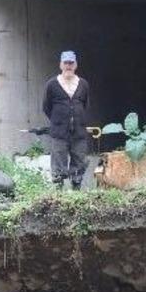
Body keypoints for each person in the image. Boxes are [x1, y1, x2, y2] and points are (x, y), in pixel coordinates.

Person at [42, 50, 90, 189]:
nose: (68, 66)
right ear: (60, 65)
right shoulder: (52, 84)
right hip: (59, 133)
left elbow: (85, 104)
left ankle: (76, 191)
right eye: (66, 63)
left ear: (75, 65)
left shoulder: (83, 84)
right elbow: (46, 106)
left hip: (79, 132)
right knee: (58, 161)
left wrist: (77, 119)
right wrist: (59, 121)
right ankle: (58, 194)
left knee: (79, 161)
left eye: (71, 63)